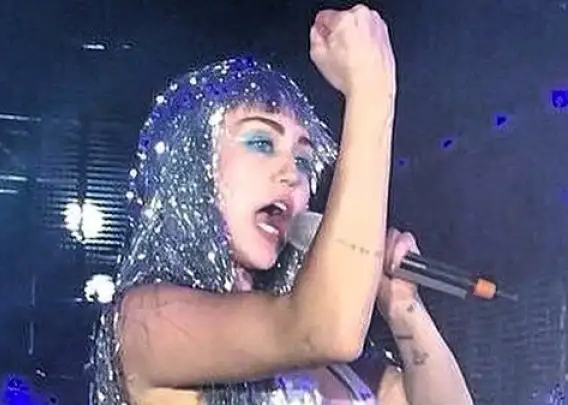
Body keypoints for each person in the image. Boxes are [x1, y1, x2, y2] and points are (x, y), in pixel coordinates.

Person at [89, 4, 474, 405]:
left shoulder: (330, 360)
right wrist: (371, 90)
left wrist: (402, 305)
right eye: (261, 142)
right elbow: (325, 330)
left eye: (304, 160)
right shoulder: (146, 320)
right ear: (190, 164)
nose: (292, 173)